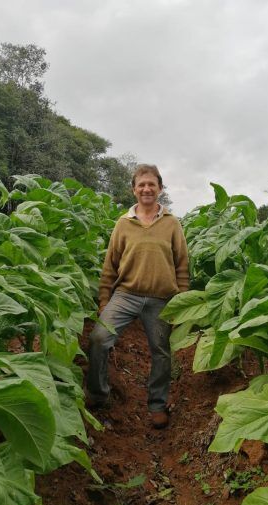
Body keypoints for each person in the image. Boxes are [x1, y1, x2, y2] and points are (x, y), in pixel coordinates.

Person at [86, 164, 189, 429]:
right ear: (133, 189)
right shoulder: (123, 224)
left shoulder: (171, 224)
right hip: (126, 294)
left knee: (161, 352)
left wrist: (182, 304)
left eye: (151, 184)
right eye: (141, 184)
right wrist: (103, 301)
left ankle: (157, 405)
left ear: (160, 189)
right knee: (99, 338)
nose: (146, 189)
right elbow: (110, 266)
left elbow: (182, 265)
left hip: (161, 298)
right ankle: (98, 395)